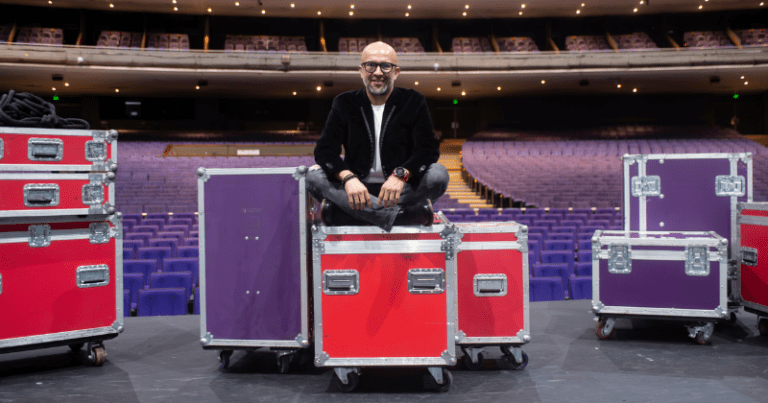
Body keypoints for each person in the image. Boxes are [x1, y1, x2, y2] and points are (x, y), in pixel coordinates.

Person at [307, 41, 449, 231]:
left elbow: (427, 150)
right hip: (357, 190)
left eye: (386, 66)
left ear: (396, 72)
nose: (378, 72)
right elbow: (325, 150)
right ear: (361, 70)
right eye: (371, 65)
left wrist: (400, 175)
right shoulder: (344, 102)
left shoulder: (413, 101)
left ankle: (352, 214)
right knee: (312, 177)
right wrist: (348, 178)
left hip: (399, 189)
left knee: (439, 175)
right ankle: (401, 216)